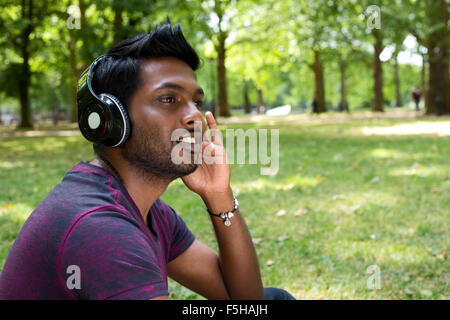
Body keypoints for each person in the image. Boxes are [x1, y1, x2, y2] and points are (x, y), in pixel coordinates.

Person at [0, 21, 295, 300]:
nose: (194, 115)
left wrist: (220, 196)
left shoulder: (149, 210)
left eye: (196, 102)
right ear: (112, 120)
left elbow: (244, 299)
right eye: (168, 99)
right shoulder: (100, 228)